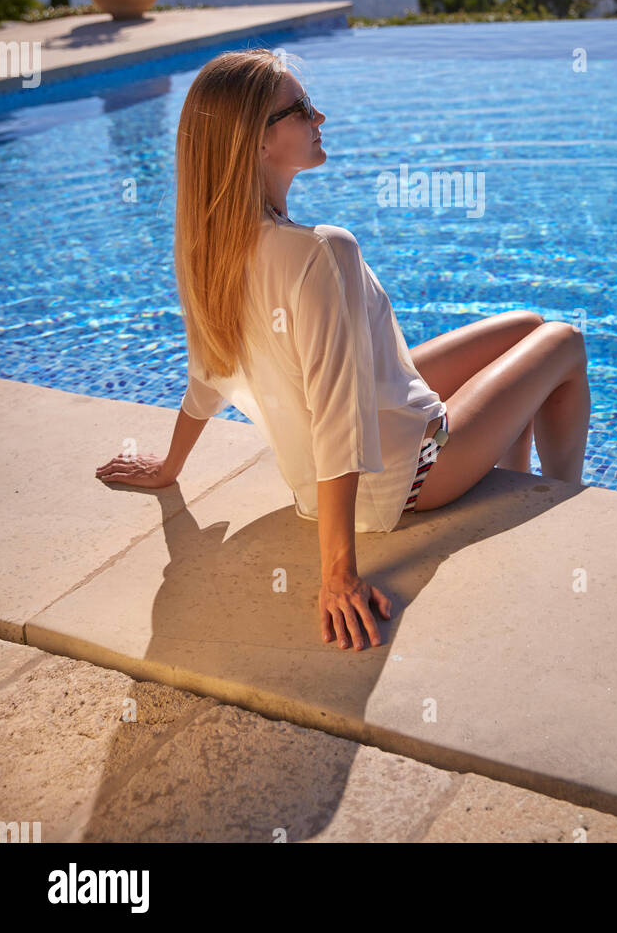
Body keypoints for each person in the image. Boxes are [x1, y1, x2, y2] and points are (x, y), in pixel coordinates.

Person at [96, 48, 590, 652]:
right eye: (301, 108)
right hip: (409, 473)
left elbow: (210, 372)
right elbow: (337, 413)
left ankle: (512, 481)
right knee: (563, 342)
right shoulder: (322, 252)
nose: (319, 115)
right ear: (257, 141)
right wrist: (338, 573)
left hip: (349, 461)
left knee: (526, 325)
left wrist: (171, 468)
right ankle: (556, 497)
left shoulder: (212, 250)